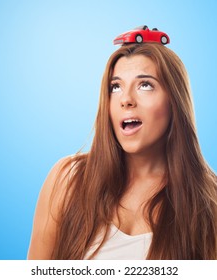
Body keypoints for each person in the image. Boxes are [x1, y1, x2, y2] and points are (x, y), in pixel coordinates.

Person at [27, 42, 217, 260]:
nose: (126, 100)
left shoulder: (209, 204)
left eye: (145, 85)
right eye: (115, 87)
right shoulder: (67, 180)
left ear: (175, 101)